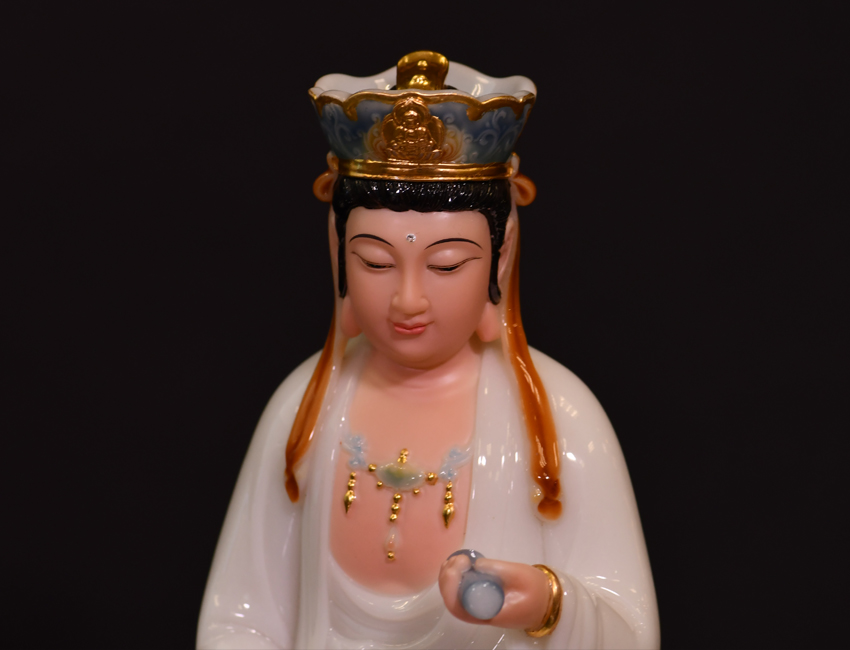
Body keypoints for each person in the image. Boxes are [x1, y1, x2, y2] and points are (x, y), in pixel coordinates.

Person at [198, 51, 659, 650]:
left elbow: (630, 632)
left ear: (499, 260)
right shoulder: (302, 412)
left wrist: (549, 603)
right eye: (375, 262)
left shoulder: (562, 419)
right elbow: (239, 618)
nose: (408, 299)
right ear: (338, 254)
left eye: (445, 265)